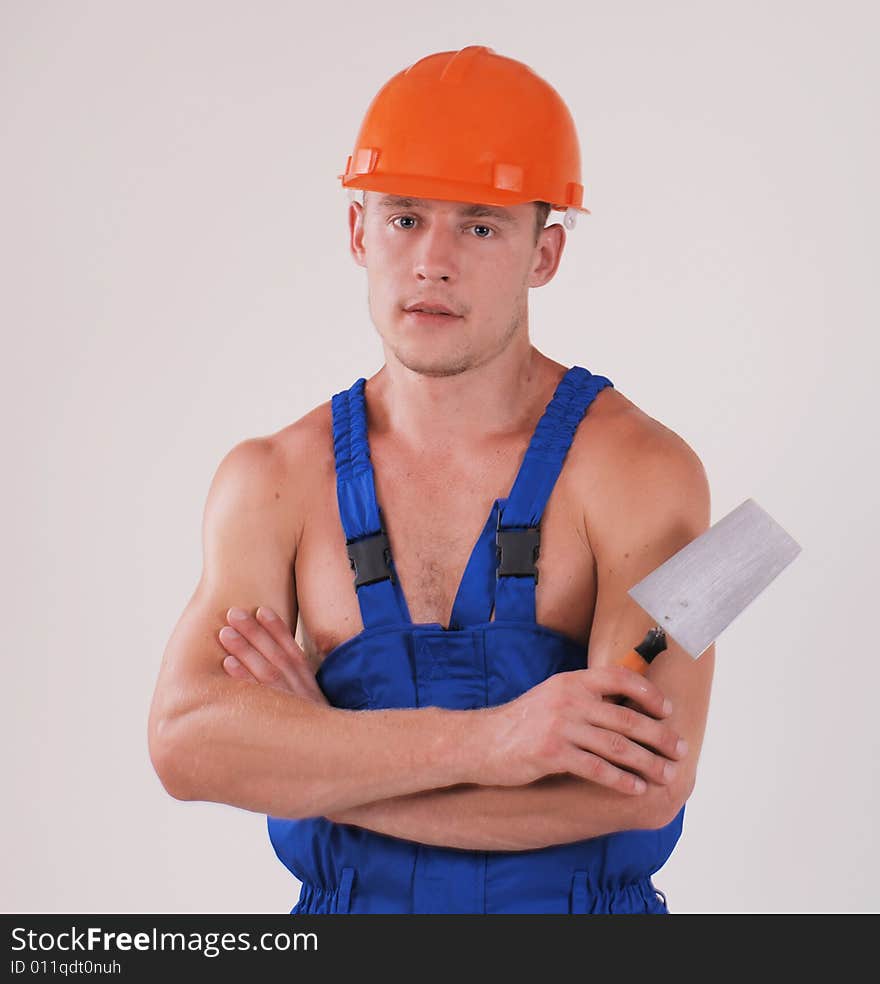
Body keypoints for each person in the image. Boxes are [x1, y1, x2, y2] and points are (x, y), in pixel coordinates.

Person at [147, 45, 714, 914]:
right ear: (357, 231)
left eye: (480, 225)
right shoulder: (271, 480)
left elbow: (639, 787)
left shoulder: (643, 472)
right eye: (405, 218)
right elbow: (185, 744)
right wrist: (496, 742)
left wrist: (322, 758)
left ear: (545, 253)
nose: (432, 261)